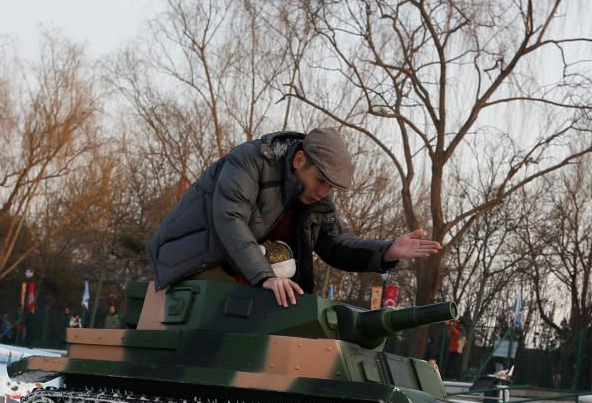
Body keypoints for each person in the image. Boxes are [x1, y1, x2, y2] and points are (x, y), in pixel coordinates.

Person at [146, 128, 440, 307]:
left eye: (330, 187)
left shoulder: (316, 196)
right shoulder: (250, 161)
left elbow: (335, 244)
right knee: (240, 310)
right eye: (320, 181)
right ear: (299, 160)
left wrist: (385, 251)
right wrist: (264, 277)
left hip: (248, 268)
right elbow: (230, 219)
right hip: (193, 260)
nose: (323, 192)